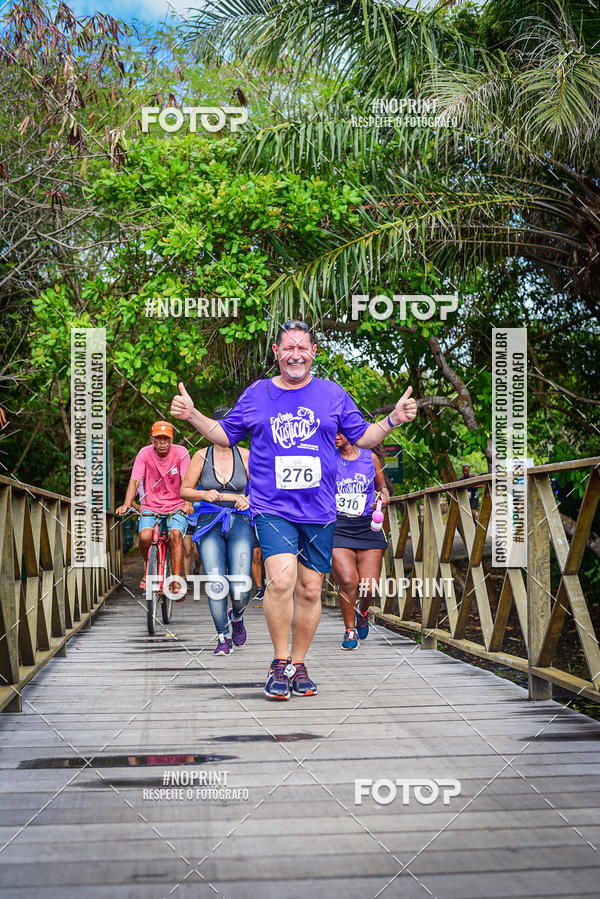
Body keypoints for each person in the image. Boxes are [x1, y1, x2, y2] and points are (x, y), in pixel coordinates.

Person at [170, 320, 417, 700]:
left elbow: (363, 437)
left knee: (311, 587)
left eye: (303, 347)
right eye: (288, 347)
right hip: (272, 508)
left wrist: (392, 420)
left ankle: (298, 664)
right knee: (281, 581)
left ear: (314, 352)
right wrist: (193, 416)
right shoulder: (258, 393)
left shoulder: (332, 394)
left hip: (319, 510)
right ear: (276, 353)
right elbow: (225, 434)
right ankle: (278, 660)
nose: (296, 354)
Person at [180, 408, 253, 656]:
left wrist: (249, 499)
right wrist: (202, 494)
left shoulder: (245, 455)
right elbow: (185, 490)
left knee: (241, 586)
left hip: (240, 521)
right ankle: (222, 636)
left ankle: (238, 615)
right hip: (209, 522)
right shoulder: (201, 456)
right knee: (216, 582)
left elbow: (264, 489)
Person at [116, 421, 192, 595]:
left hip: (176, 505)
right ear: (152, 440)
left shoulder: (181, 453)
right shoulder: (144, 453)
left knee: (175, 535)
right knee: (144, 537)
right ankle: (148, 565)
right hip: (151, 505)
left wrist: (188, 502)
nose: (163, 442)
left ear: (172, 439)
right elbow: (135, 480)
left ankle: (176, 581)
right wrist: (127, 504)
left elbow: (187, 480)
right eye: (159, 439)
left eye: (166, 438)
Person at [331, 434, 390, 650]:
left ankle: (362, 611)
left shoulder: (370, 458)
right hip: (338, 525)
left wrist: (383, 498)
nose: (335, 435)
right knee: (347, 581)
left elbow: (382, 488)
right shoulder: (327, 458)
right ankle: (349, 630)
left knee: (369, 586)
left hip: (367, 526)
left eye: (340, 431)